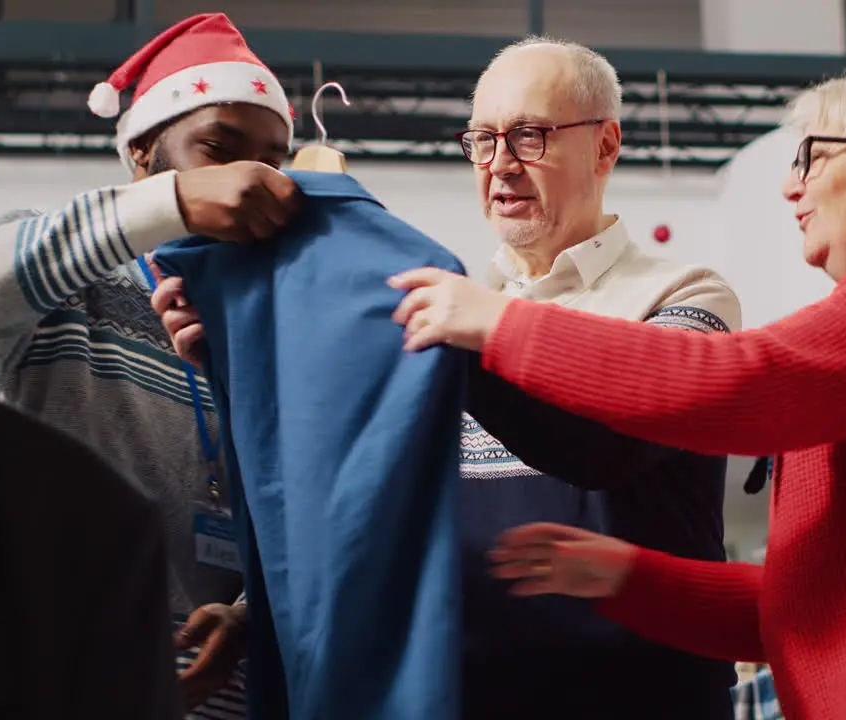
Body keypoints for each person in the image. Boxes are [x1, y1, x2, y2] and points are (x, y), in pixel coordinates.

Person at [386, 58, 846, 719]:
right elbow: (799, 604)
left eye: (811, 157)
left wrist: (503, 325)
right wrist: (620, 575)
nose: (792, 186)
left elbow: (734, 382)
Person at [154, 37, 743, 719]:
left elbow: (608, 444)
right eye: (482, 140)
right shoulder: (449, 314)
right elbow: (373, 501)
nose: (500, 166)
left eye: (529, 136)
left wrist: (472, 335)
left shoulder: (687, 296)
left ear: (606, 146)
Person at [0, 13, 300, 718]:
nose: (249, 176)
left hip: (219, 698)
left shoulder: (266, 325)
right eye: (219, 149)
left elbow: (292, 511)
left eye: (271, 158)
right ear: (141, 152)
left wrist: (245, 612)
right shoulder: (70, 282)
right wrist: (173, 204)